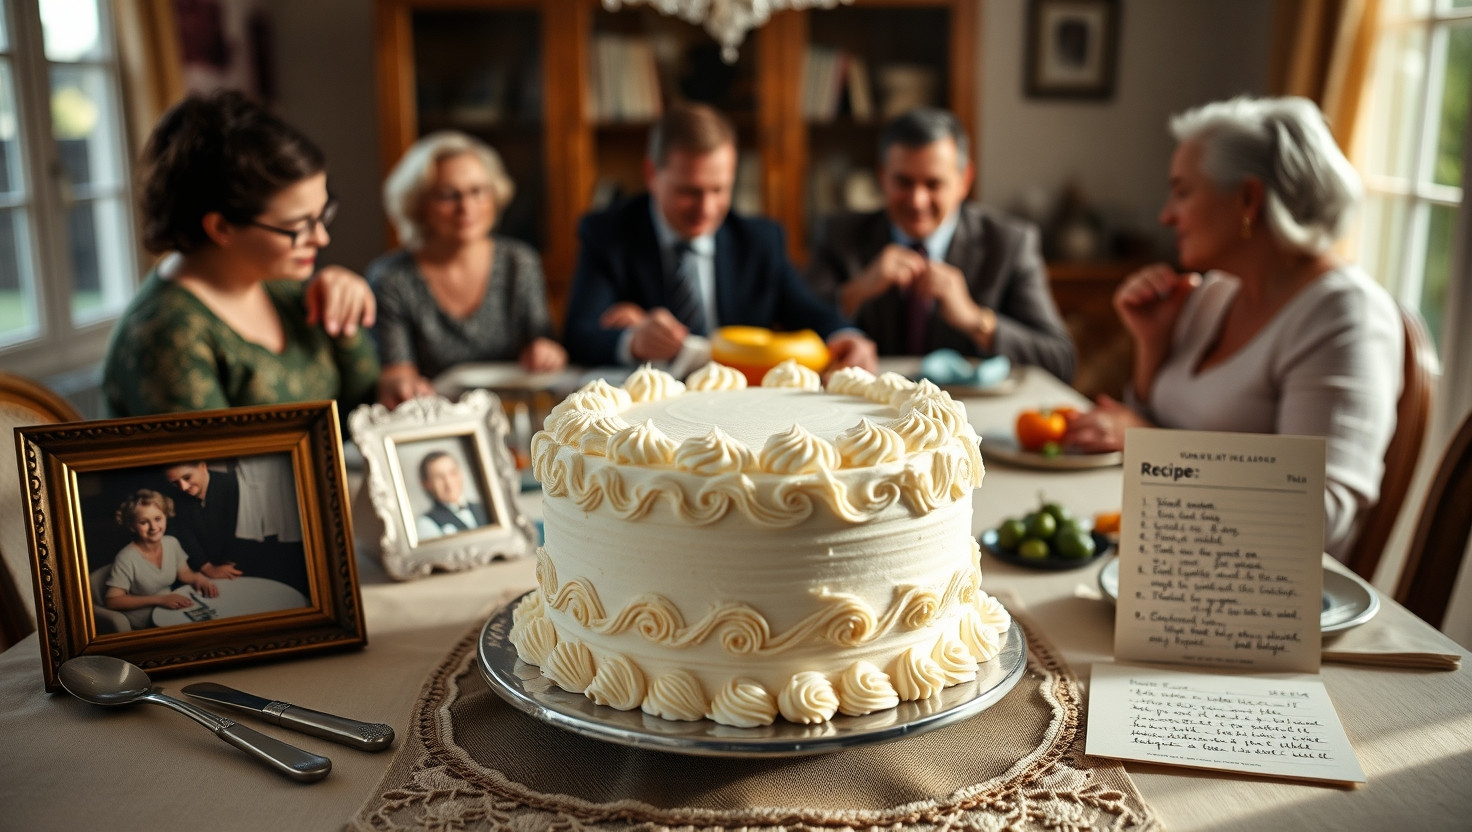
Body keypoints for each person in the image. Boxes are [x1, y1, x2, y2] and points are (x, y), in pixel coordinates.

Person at [1062, 96, 1403, 562]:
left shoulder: (1346, 316)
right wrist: (1152, 345)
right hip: (1161, 552)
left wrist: (1147, 442)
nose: (1166, 215)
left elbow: (1319, 518)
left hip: (1250, 597)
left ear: (1248, 199)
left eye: (1182, 192)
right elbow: (1142, 429)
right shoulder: (1217, 292)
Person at [102, 90, 380, 417]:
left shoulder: (283, 283)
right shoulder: (165, 336)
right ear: (221, 228)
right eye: (298, 226)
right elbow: (219, 469)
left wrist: (345, 315)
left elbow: (368, 406)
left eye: (322, 215)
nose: (321, 238)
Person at [562, 102, 877, 372]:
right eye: (689, 192)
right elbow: (578, 334)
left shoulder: (759, 240)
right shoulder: (607, 233)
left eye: (719, 190)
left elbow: (809, 312)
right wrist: (633, 341)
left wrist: (845, 335)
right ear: (651, 175)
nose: (707, 208)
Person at [804, 107, 1076, 380]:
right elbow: (793, 332)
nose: (917, 201)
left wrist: (975, 319)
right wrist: (857, 291)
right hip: (863, 412)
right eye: (903, 182)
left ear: (964, 180)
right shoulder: (839, 234)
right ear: (882, 176)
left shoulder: (1009, 243)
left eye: (933, 184)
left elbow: (1060, 359)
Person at [368, 131, 566, 408]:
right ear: (419, 205)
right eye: (448, 195)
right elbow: (396, 369)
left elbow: (544, 341)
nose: (466, 207)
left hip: (516, 417)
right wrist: (401, 383)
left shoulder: (519, 262)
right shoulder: (391, 279)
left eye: (477, 191)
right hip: (436, 420)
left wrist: (546, 352)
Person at [104, 489, 218, 630]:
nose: (153, 527)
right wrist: (161, 599)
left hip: (171, 611)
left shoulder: (171, 542)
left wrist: (198, 579)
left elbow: (184, 573)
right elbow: (112, 601)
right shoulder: (125, 558)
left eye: (158, 519)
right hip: (143, 623)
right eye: (143, 522)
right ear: (131, 526)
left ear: (166, 516)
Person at [161, 460, 242, 581]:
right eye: (175, 483)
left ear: (203, 466)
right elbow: (184, 533)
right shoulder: (175, 495)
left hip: (239, 565)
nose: (183, 487)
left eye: (187, 477)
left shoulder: (233, 485)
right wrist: (206, 567)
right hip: (198, 569)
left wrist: (227, 566)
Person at [415, 451, 491, 541]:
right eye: (439, 477)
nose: (449, 483)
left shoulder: (486, 508)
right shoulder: (426, 523)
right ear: (426, 484)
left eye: (453, 473)